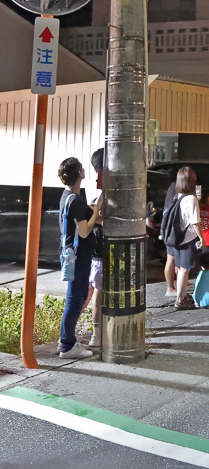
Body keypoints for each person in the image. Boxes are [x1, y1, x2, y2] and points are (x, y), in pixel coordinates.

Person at [57, 157, 103, 359]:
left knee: (76, 298)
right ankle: (67, 345)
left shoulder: (66, 197)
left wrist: (93, 212)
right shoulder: (75, 200)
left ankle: (66, 342)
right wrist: (98, 209)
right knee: (75, 300)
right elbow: (84, 231)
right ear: (80, 174)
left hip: (71, 255)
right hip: (79, 256)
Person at [170, 167, 205, 309]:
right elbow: (195, 221)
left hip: (177, 238)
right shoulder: (191, 199)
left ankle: (181, 295)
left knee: (180, 268)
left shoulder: (178, 196)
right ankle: (179, 299)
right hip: (188, 238)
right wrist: (201, 237)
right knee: (184, 269)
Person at [82, 148, 105, 348]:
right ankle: (95, 335)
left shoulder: (94, 185)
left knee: (89, 291)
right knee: (96, 291)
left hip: (92, 249)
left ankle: (70, 330)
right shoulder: (101, 187)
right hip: (100, 249)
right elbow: (94, 215)